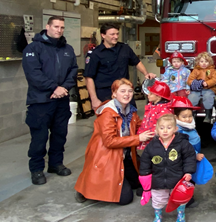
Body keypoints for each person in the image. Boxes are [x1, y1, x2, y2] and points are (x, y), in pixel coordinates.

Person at [75, 79, 155, 205]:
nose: (127, 94)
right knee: (125, 199)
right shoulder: (107, 113)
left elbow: (141, 126)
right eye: (122, 91)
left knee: (142, 183)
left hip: (125, 155)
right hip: (108, 158)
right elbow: (109, 142)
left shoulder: (131, 111)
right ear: (114, 94)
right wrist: (138, 139)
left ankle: (118, 180)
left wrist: (160, 126)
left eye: (130, 91)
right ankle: (89, 189)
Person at [22, 16, 78, 185]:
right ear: (47, 26)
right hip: (40, 101)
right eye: (55, 26)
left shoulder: (67, 49)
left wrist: (64, 89)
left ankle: (55, 164)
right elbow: (34, 74)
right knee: (39, 137)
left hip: (61, 101)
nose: (59, 30)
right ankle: (37, 169)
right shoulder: (33, 48)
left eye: (61, 27)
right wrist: (54, 88)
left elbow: (73, 71)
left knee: (60, 134)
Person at [139, 114, 197, 222]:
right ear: (157, 130)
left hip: (178, 178)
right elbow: (145, 161)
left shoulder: (182, 143)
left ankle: (181, 214)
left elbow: (189, 157)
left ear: (175, 129)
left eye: (169, 128)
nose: (165, 130)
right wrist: (144, 175)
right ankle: (158, 215)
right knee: (158, 199)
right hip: (158, 179)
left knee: (180, 197)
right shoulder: (151, 146)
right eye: (161, 128)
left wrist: (188, 172)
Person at [84, 23, 156, 109]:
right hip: (106, 94)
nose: (116, 36)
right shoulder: (95, 54)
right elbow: (89, 78)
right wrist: (94, 99)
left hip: (125, 92)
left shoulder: (125, 48)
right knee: (109, 121)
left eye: (117, 34)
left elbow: (137, 62)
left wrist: (146, 73)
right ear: (103, 35)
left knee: (132, 119)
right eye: (112, 34)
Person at [137, 80, 175, 150]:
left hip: (157, 142)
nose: (148, 95)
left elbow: (162, 127)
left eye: (151, 94)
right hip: (149, 139)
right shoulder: (151, 106)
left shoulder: (164, 110)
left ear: (159, 97)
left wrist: (149, 134)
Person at [187, 52, 216, 123]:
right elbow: (189, 80)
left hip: (209, 89)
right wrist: (195, 83)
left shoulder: (212, 70)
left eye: (206, 61)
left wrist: (207, 83)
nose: (204, 63)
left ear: (210, 62)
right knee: (192, 97)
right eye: (201, 61)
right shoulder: (195, 70)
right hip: (197, 89)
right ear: (198, 62)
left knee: (208, 97)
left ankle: (208, 115)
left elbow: (215, 79)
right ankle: (193, 114)